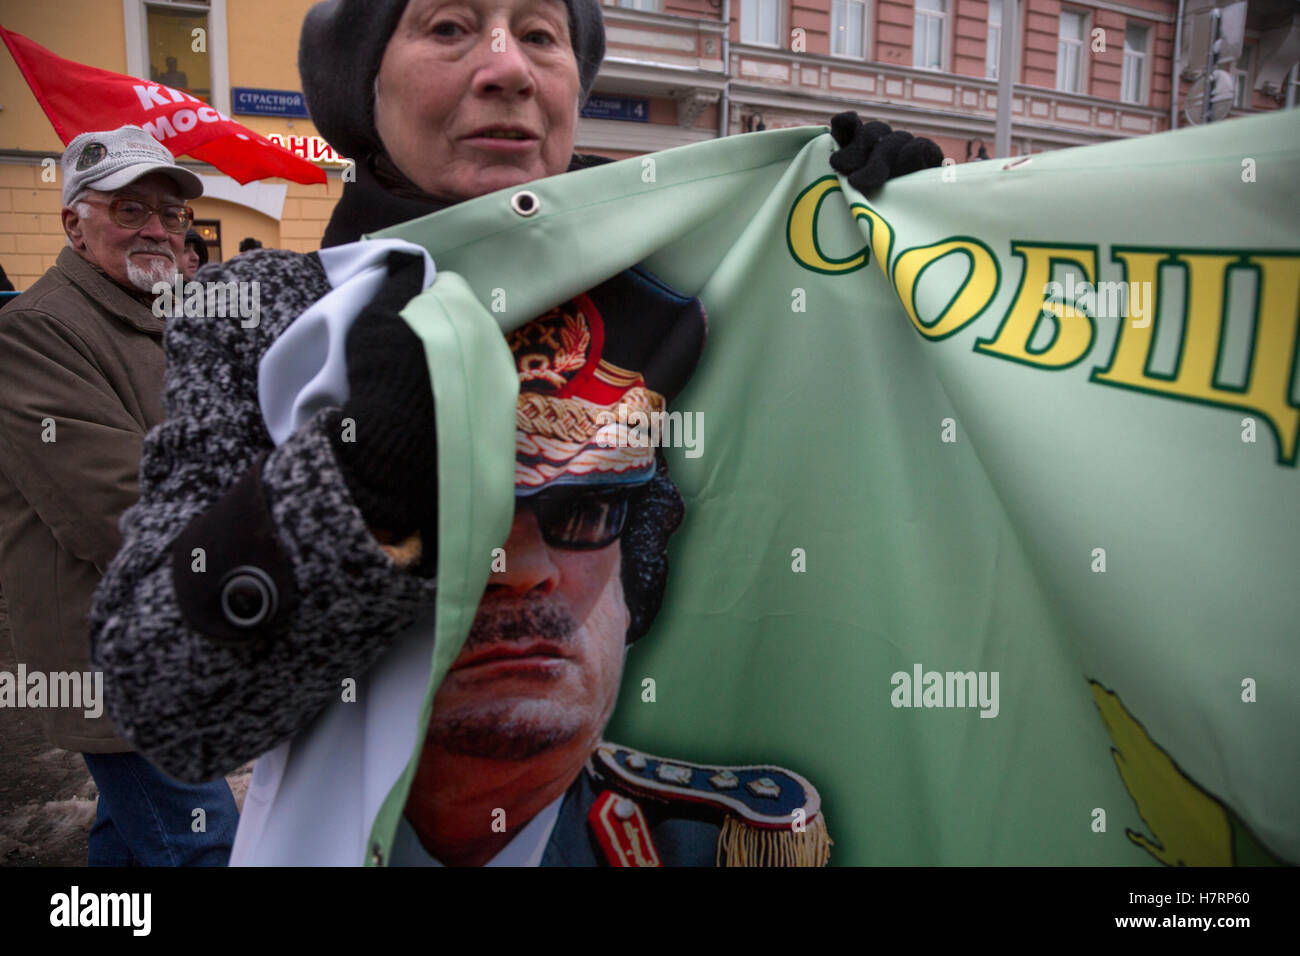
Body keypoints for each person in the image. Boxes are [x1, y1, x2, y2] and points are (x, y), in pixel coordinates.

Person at [88, 0, 934, 865]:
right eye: (449, 28)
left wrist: (881, 259)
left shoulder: (678, 288)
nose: (508, 69)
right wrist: (356, 489)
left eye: (539, 35)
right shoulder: (263, 315)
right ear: (362, 86)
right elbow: (163, 705)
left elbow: (860, 504)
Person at [0, 124, 239, 866]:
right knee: (207, 844)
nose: (160, 231)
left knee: (134, 835)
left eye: (172, 215)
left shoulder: (163, 318)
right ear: (74, 222)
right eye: (129, 211)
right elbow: (118, 506)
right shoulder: (35, 330)